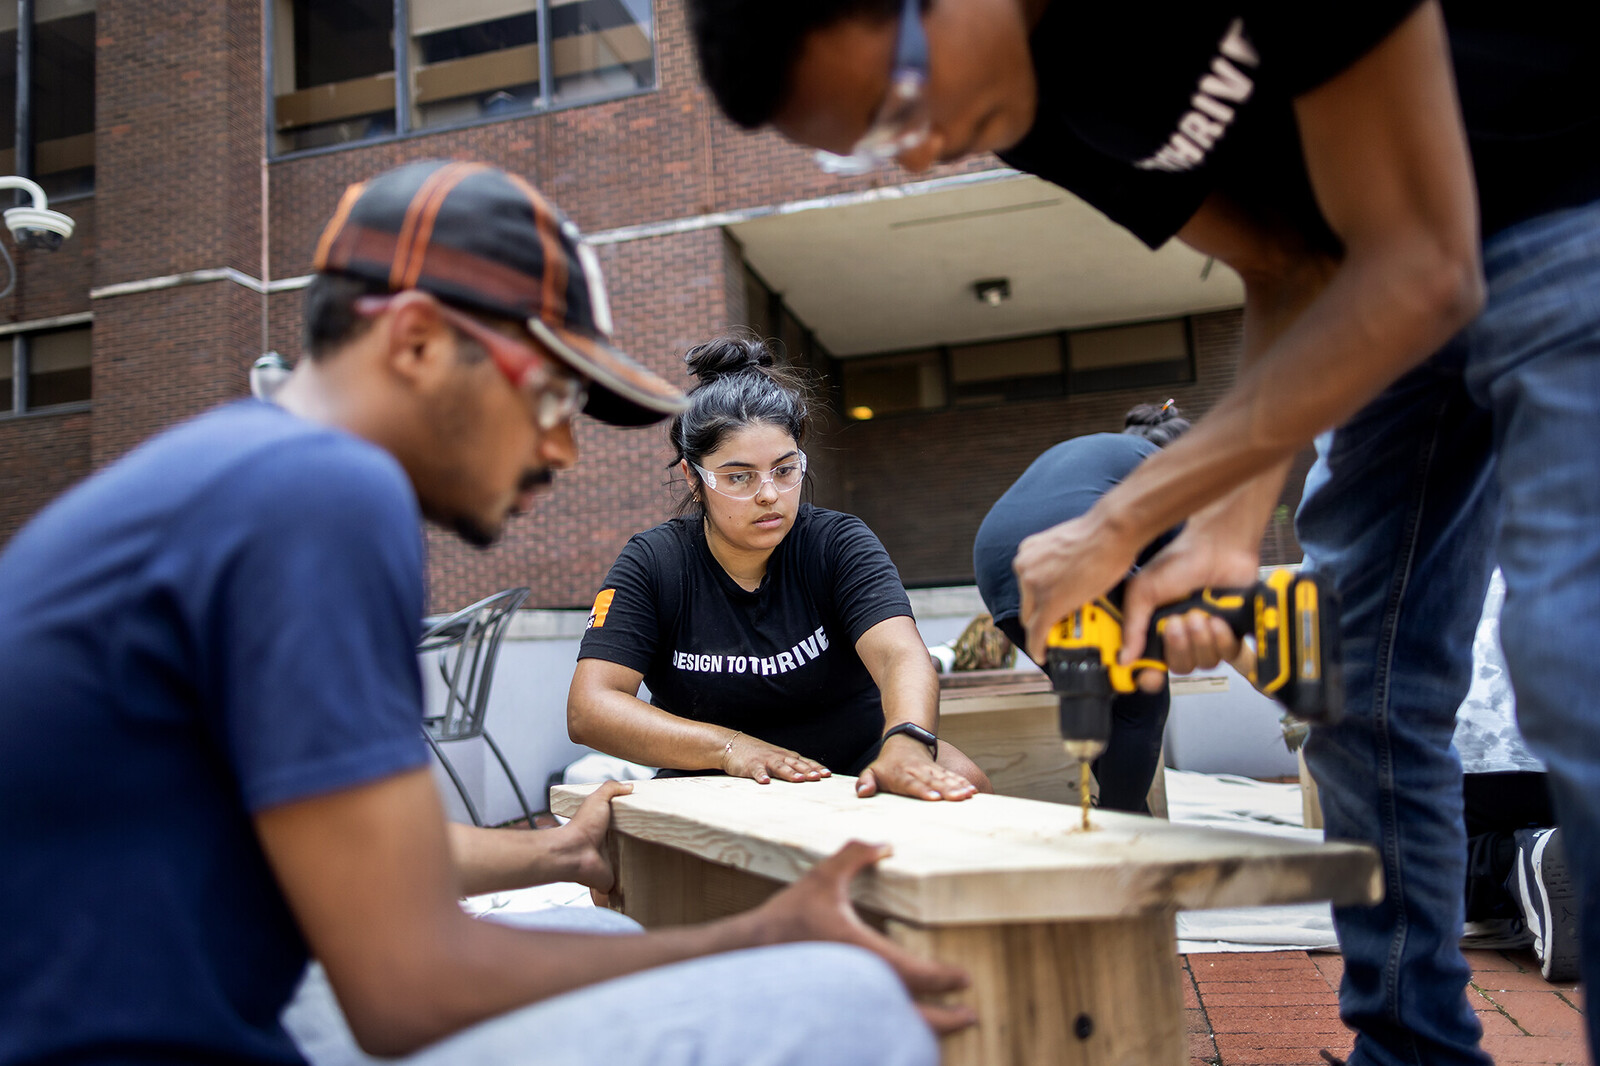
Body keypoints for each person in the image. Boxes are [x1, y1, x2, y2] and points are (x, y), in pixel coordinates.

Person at [685, 3, 1600, 1064]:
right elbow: (1291, 266)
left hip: (1556, 196)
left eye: (902, 95)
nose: (924, 147)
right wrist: (1221, 530)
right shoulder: (1020, 99)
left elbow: (1422, 262)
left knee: (1572, 648)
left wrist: (1134, 530)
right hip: (1371, 294)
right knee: (1358, 693)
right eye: (876, 146)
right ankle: (1412, 1046)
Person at [0, 160, 972, 1066]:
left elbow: (355, 854)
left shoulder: (242, 471)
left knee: (590, 923)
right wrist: (753, 937)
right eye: (551, 391)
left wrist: (557, 849)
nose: (562, 448)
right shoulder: (321, 494)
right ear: (417, 340)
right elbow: (408, 988)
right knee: (844, 999)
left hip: (169, 993)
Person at [569, 333, 991, 802]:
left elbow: (900, 655)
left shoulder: (838, 543)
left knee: (966, 780)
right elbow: (591, 707)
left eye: (785, 470)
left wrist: (908, 742)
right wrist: (730, 748)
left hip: (854, 762)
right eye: (739, 477)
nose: (768, 493)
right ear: (693, 476)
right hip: (711, 775)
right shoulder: (655, 563)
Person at [971, 401, 1190, 814]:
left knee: (1099, 692)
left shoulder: (1093, 450)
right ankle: (1127, 829)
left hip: (999, 565)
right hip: (1073, 548)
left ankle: (1119, 815)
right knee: (1141, 697)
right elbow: (1183, 566)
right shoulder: (1165, 464)